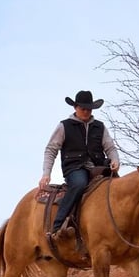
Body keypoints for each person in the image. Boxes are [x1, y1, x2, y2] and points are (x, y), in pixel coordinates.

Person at [39, 90, 120, 238]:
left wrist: (115, 160)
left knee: (117, 186)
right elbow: (51, 149)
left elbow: (110, 148)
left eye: (89, 109)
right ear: (75, 107)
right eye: (83, 108)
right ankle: (58, 226)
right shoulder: (64, 126)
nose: (86, 112)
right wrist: (46, 173)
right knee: (79, 184)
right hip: (75, 168)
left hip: (98, 167)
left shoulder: (99, 127)